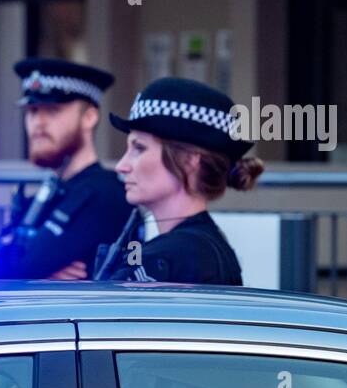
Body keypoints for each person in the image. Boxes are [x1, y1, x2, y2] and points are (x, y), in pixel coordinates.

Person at [93, 77, 264, 284]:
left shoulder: (169, 258)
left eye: (139, 148)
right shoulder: (200, 247)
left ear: (188, 161)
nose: (122, 165)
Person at [0, 58, 132, 280]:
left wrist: (27, 272)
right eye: (33, 110)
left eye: (52, 110)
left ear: (89, 117)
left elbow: (22, 267)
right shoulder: (50, 192)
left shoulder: (106, 194)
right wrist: (35, 275)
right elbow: (8, 259)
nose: (38, 122)